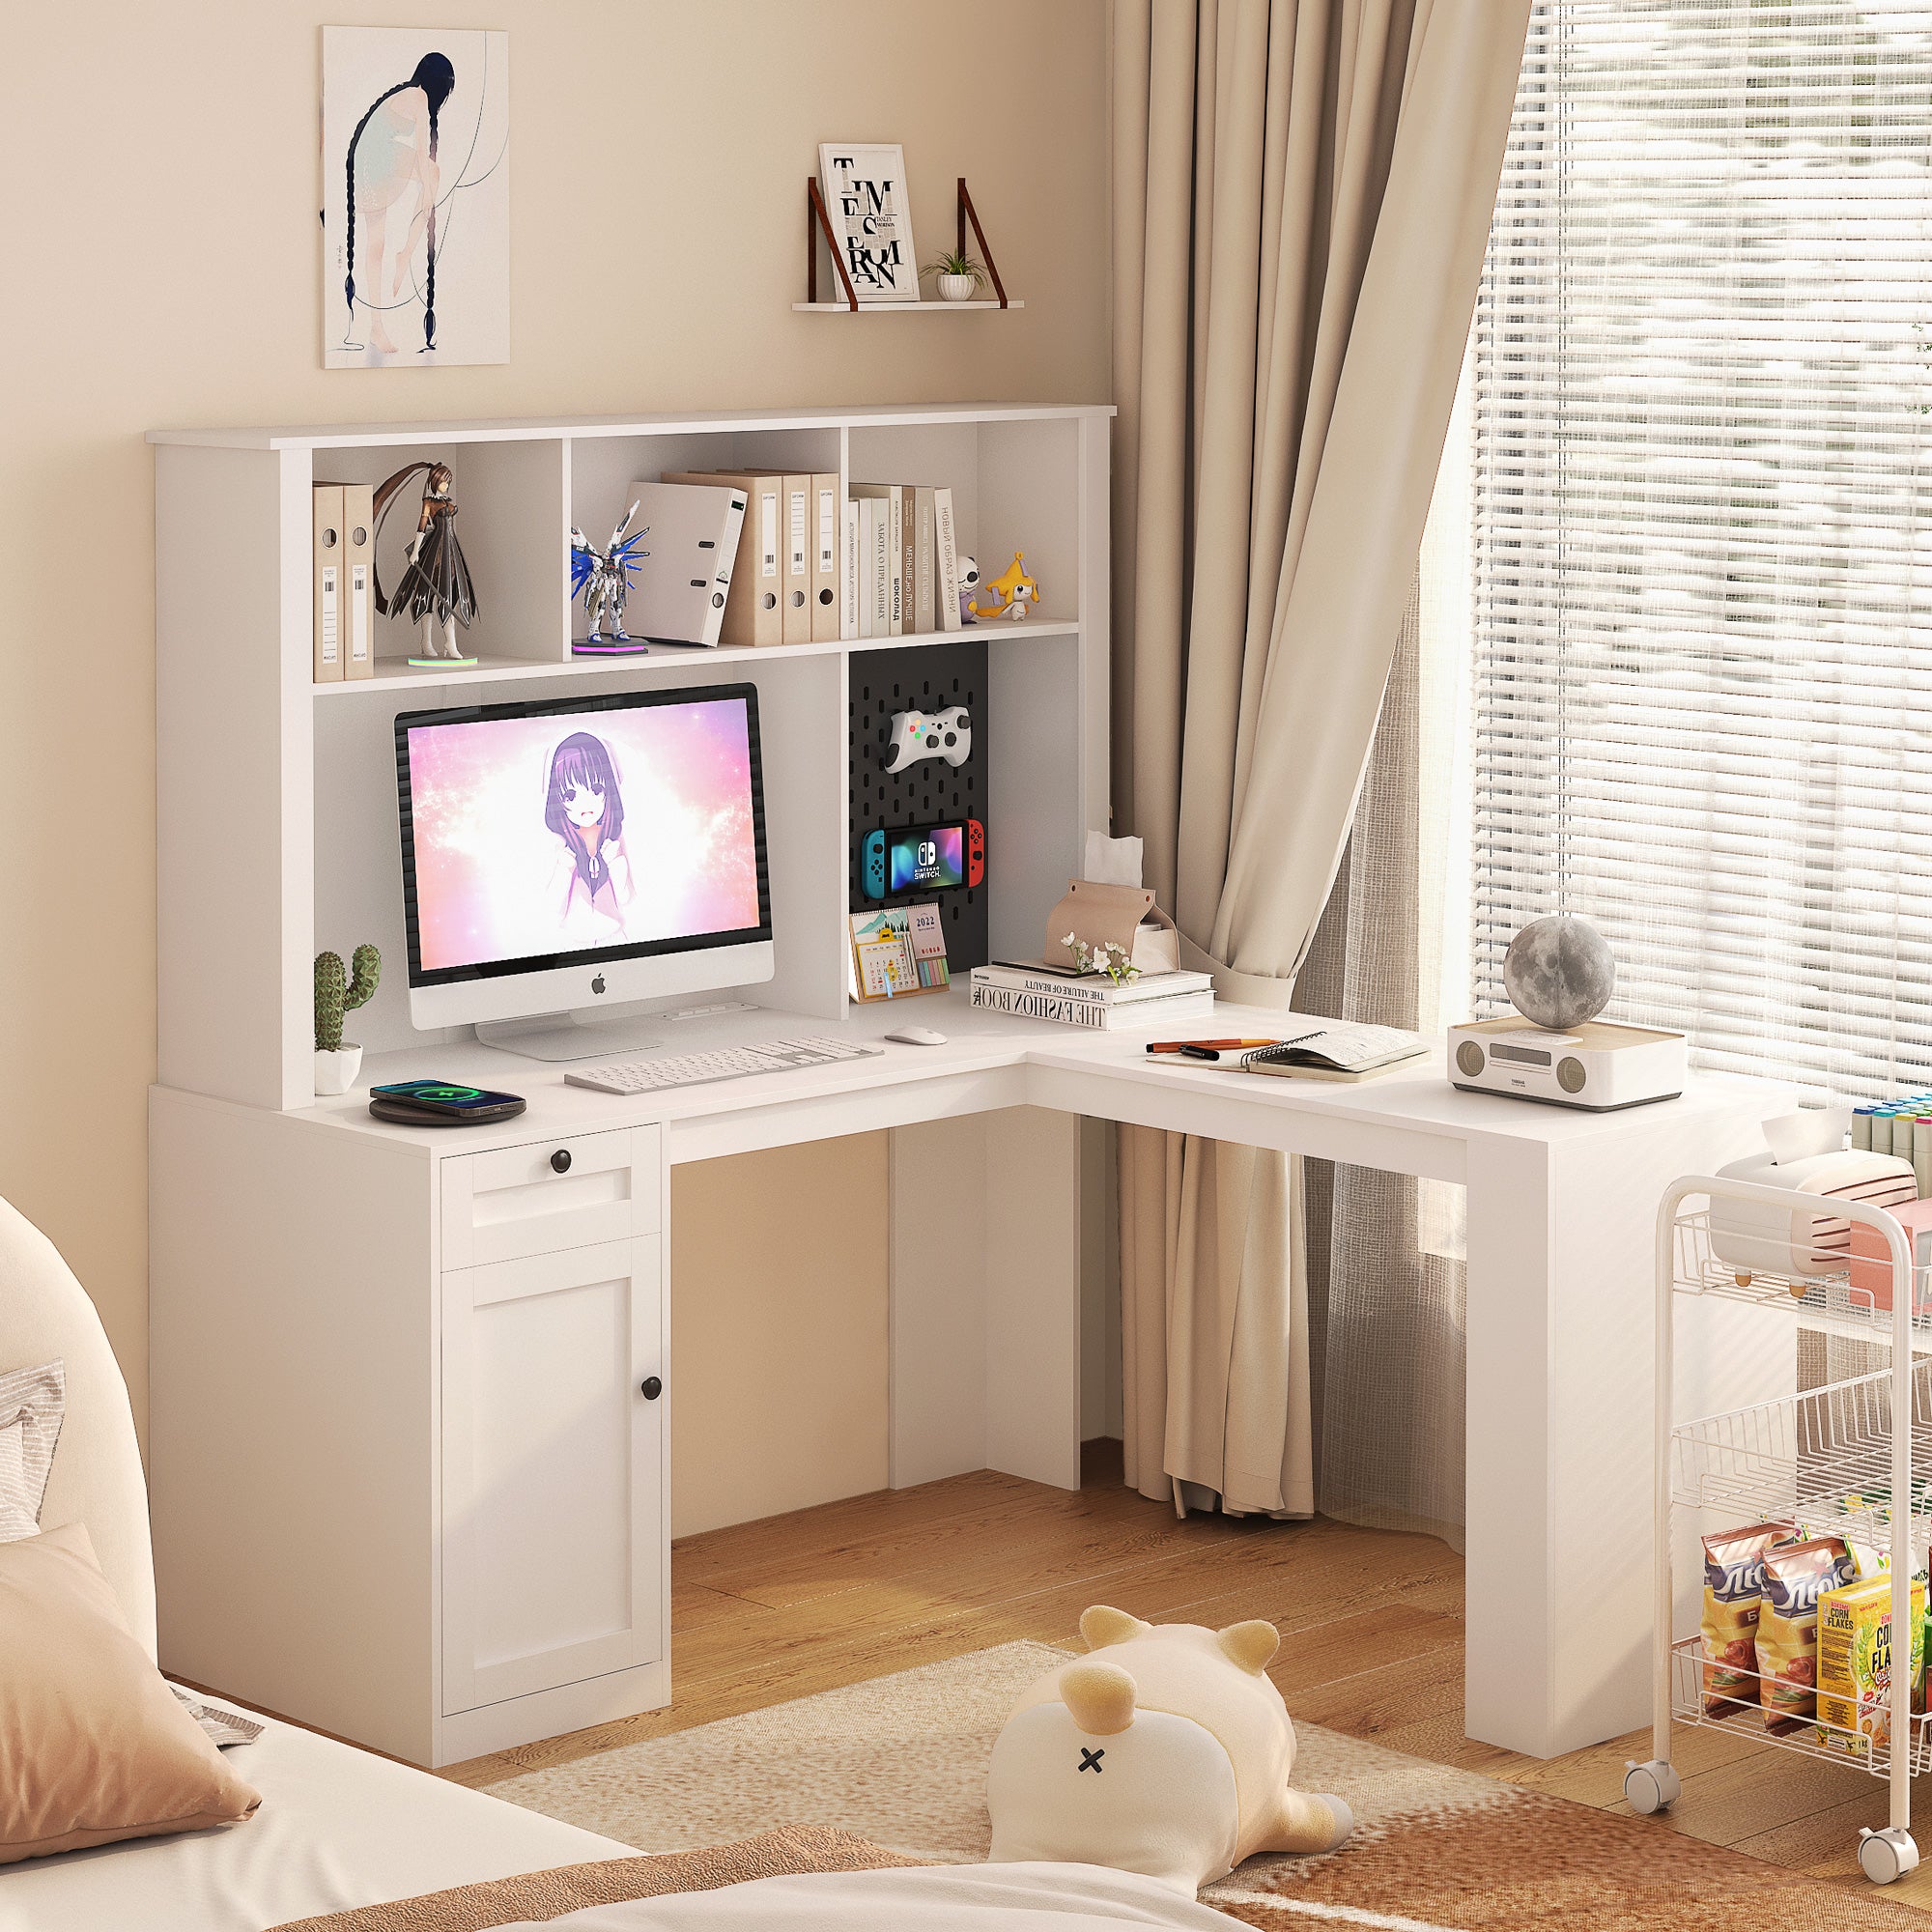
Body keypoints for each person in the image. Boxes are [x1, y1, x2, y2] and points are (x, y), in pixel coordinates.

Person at [544, 732, 634, 939]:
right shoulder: (558, 843)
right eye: (570, 795)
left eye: (596, 789)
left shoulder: (615, 836)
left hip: (615, 938)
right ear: (556, 798)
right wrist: (563, 871)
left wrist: (618, 869)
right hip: (572, 944)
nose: (585, 804)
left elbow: (626, 898)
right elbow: (550, 905)